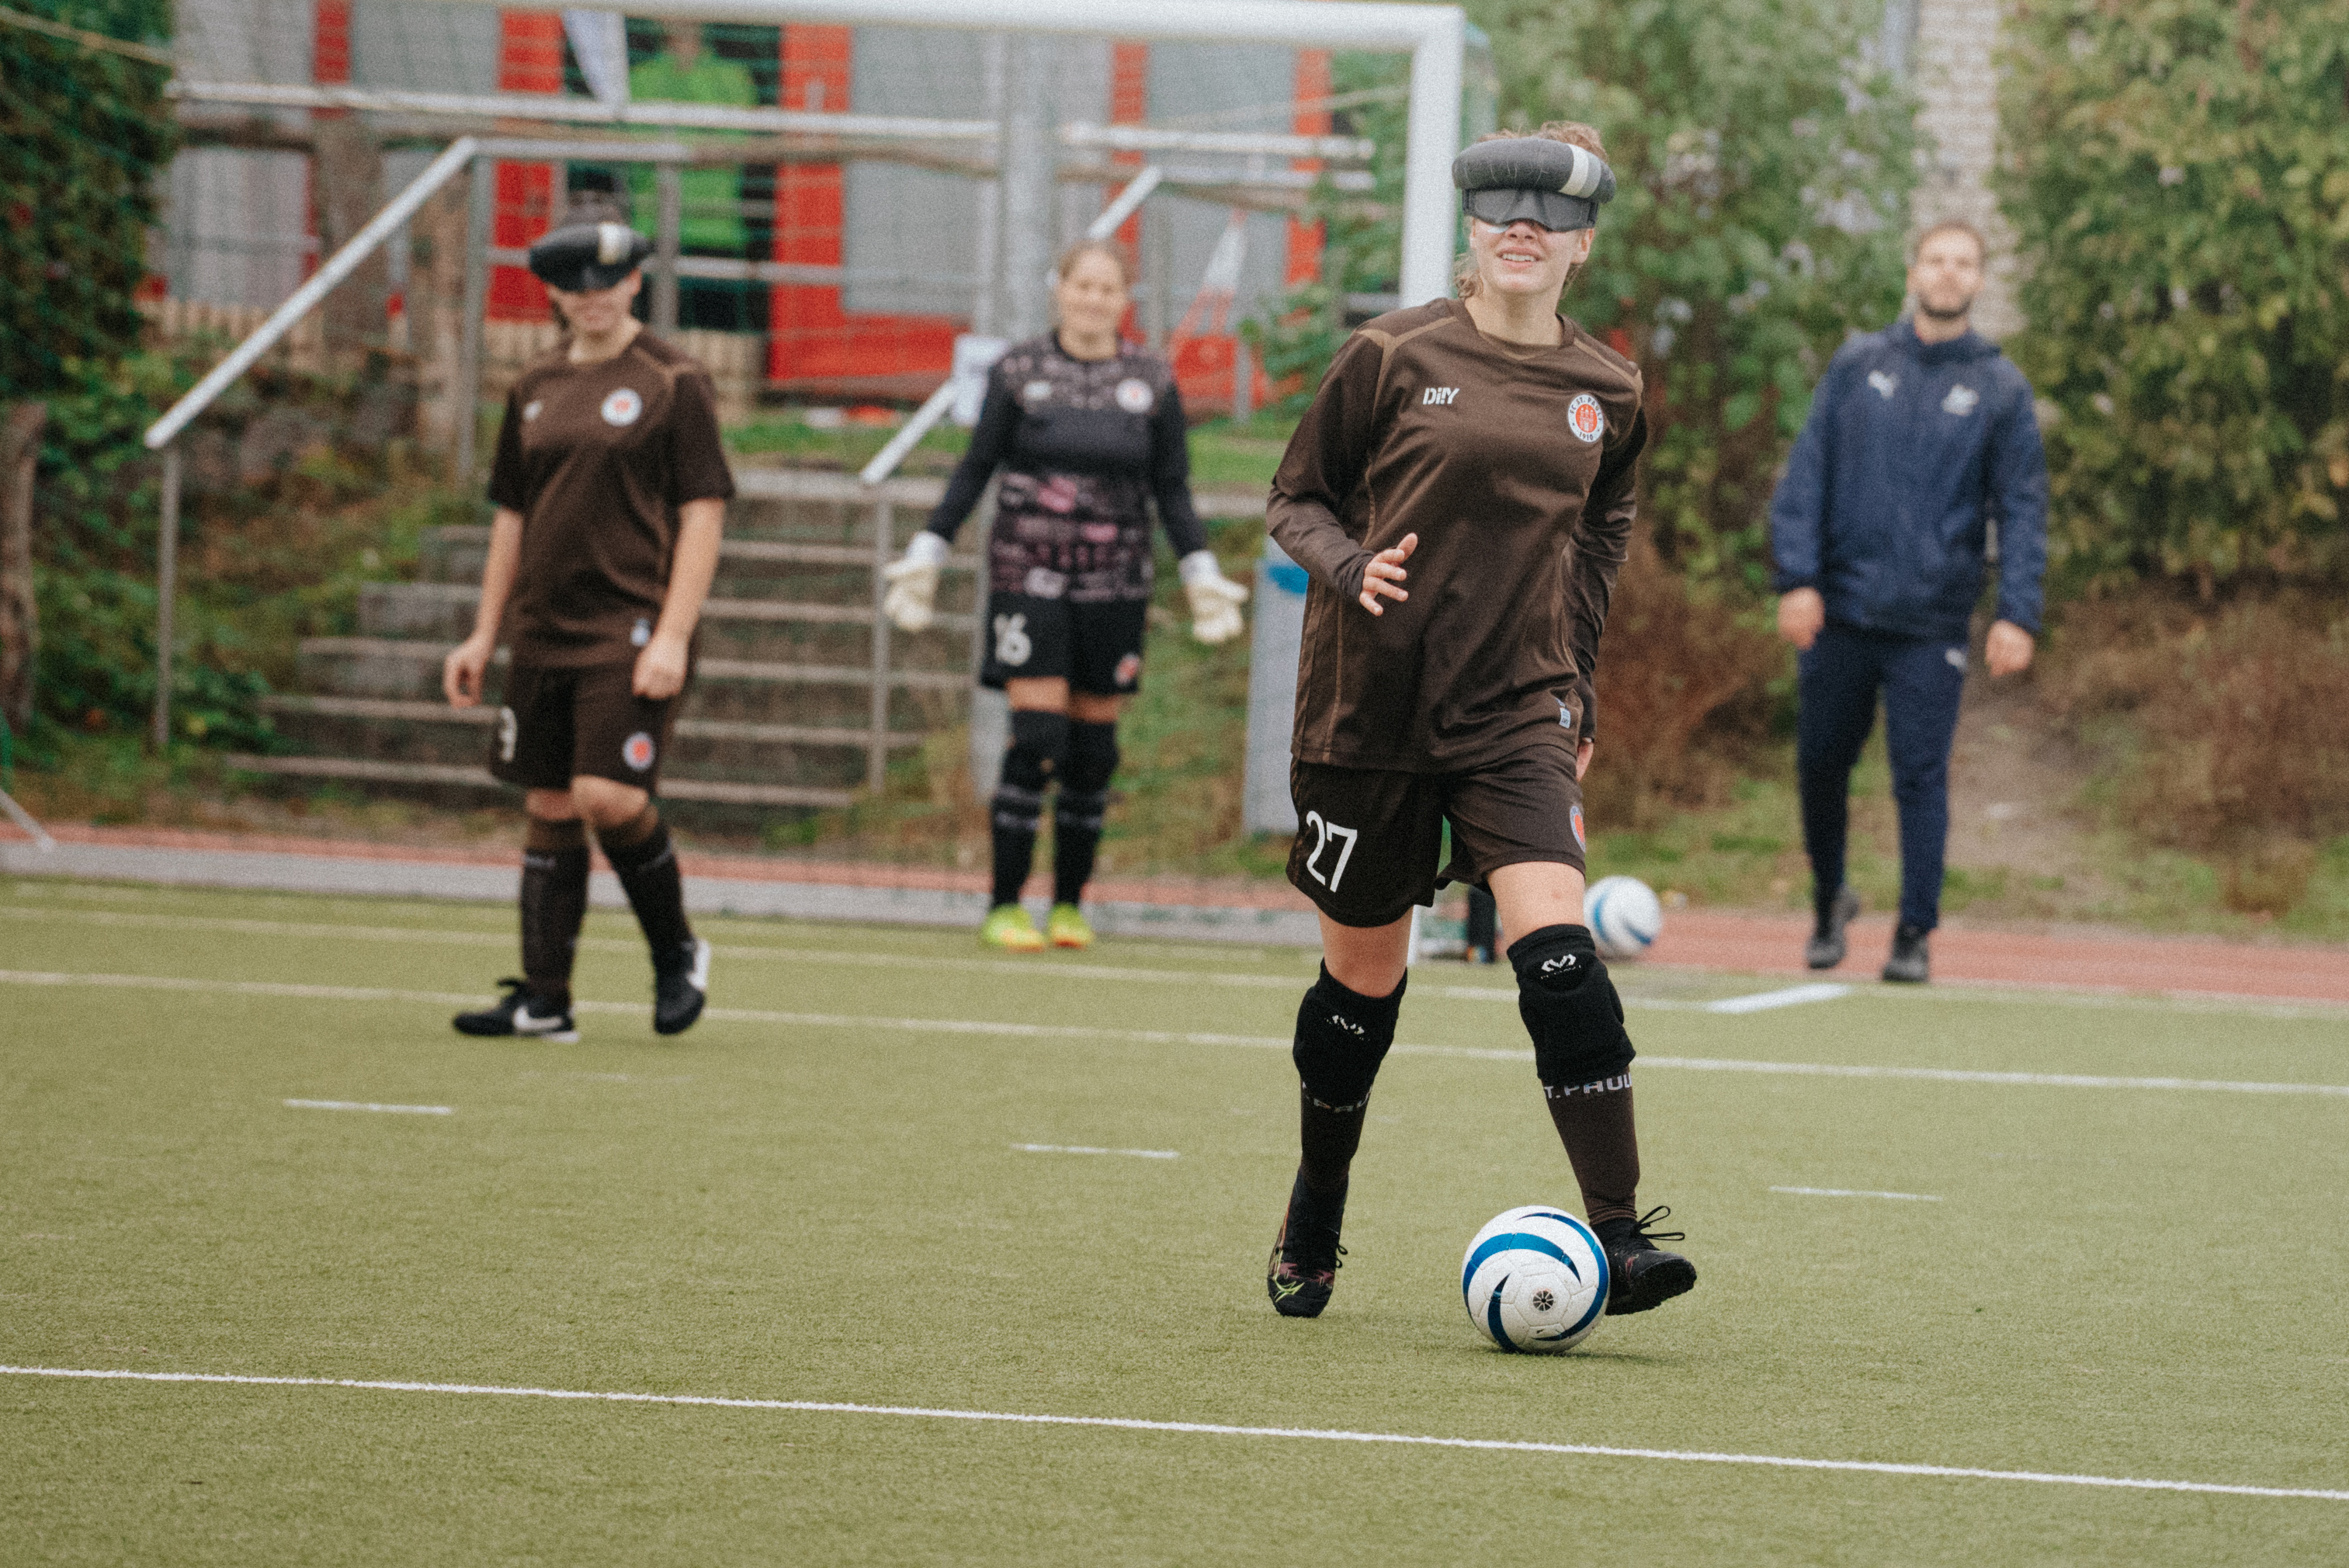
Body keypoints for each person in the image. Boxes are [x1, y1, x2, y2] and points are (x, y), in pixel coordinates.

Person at [1261, 125, 1695, 1321]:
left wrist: (1581, 692)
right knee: (1360, 991)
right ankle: (1315, 1211)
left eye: (1551, 217)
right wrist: (1349, 569)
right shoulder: (1388, 354)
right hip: (1369, 711)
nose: (1525, 228)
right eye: (1503, 207)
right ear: (1471, 228)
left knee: (1558, 953)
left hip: (1517, 708)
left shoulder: (1608, 391)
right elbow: (1292, 499)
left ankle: (1623, 1232)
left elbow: (1600, 541)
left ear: (1582, 245)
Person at [880, 239, 1251, 952]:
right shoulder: (1019, 371)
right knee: (1039, 737)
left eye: (1108, 289)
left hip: (1115, 584)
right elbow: (976, 466)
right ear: (1061, 290)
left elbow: (1171, 487)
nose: (1093, 299)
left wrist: (1200, 567)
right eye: (1082, 286)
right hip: (1030, 577)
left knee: (1093, 750)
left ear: (1124, 300)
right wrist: (931, 545)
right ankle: (1004, 904)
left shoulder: (1151, 379)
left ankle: (1072, 905)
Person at [442, 204, 736, 1040]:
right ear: (554, 294)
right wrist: (482, 632)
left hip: (631, 624)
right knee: (547, 799)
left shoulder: (673, 379)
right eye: (574, 284)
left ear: (636, 280)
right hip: (542, 626)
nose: (592, 296)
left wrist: (674, 633)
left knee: (605, 794)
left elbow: (703, 512)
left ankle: (676, 952)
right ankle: (544, 998)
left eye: (608, 279)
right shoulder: (534, 385)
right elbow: (510, 515)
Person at [1769, 220, 2049, 984]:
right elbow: (1805, 478)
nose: (1948, 273)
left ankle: (1912, 934)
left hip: (1931, 624)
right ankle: (1829, 900)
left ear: (1979, 280)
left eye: (1963, 263)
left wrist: (2016, 612)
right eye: (1936, 259)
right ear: (1912, 270)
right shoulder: (1859, 364)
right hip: (1841, 613)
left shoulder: (1999, 386)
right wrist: (1795, 579)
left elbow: (2021, 510)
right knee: (1819, 766)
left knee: (1918, 777)